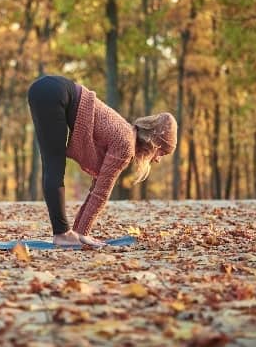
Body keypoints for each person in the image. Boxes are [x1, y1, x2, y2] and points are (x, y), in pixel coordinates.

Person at [27, 74, 177, 247]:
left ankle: (65, 233)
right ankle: (61, 234)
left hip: (45, 88)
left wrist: (79, 232)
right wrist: (83, 234)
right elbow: (100, 192)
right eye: (161, 153)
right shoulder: (126, 144)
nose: (157, 160)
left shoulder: (126, 133)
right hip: (56, 93)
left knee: (51, 165)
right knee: (54, 166)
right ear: (154, 143)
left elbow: (96, 188)